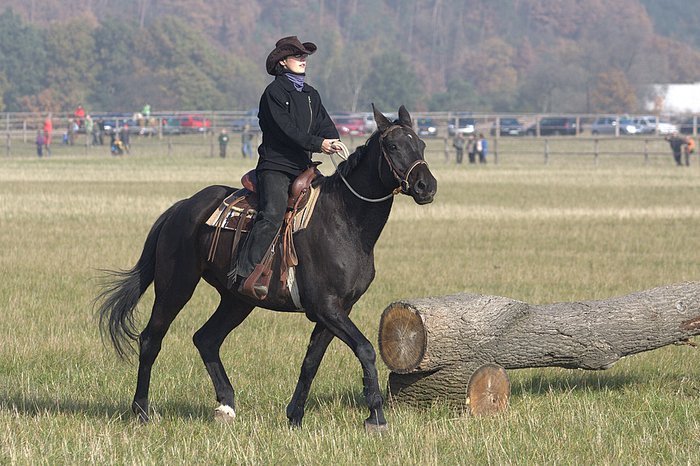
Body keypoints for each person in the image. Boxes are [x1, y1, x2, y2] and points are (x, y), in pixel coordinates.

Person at [235, 35, 341, 298]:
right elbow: (287, 131)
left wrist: (334, 139)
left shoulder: (310, 94)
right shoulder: (273, 93)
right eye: (298, 56)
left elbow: (323, 122)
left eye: (305, 56)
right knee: (271, 213)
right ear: (283, 62)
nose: (303, 60)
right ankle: (244, 273)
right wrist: (319, 144)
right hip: (276, 166)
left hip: (304, 167)